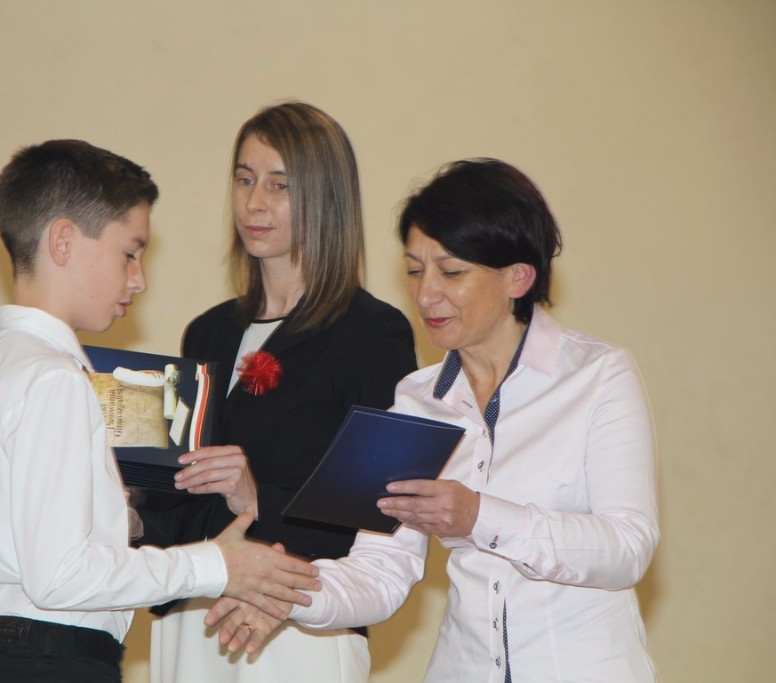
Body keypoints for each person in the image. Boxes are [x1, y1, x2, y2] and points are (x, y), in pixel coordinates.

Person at [209, 158, 660, 682]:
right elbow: (381, 567)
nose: (426, 295)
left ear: (518, 277)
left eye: (451, 272)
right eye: (414, 271)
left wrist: (479, 517)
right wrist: (289, 596)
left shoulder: (598, 375)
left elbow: (627, 547)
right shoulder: (415, 398)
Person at [0, 139, 322, 683]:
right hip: (52, 664)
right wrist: (215, 563)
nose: (139, 279)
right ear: (63, 241)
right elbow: (60, 575)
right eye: (130, 253)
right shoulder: (56, 379)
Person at [137, 102, 417, 682]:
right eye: (244, 180)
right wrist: (133, 518)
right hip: (193, 609)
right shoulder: (208, 331)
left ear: (325, 198)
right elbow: (183, 494)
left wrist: (257, 496)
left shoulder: (371, 332)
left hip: (295, 620)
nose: (254, 203)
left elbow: (379, 515)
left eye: (280, 185)